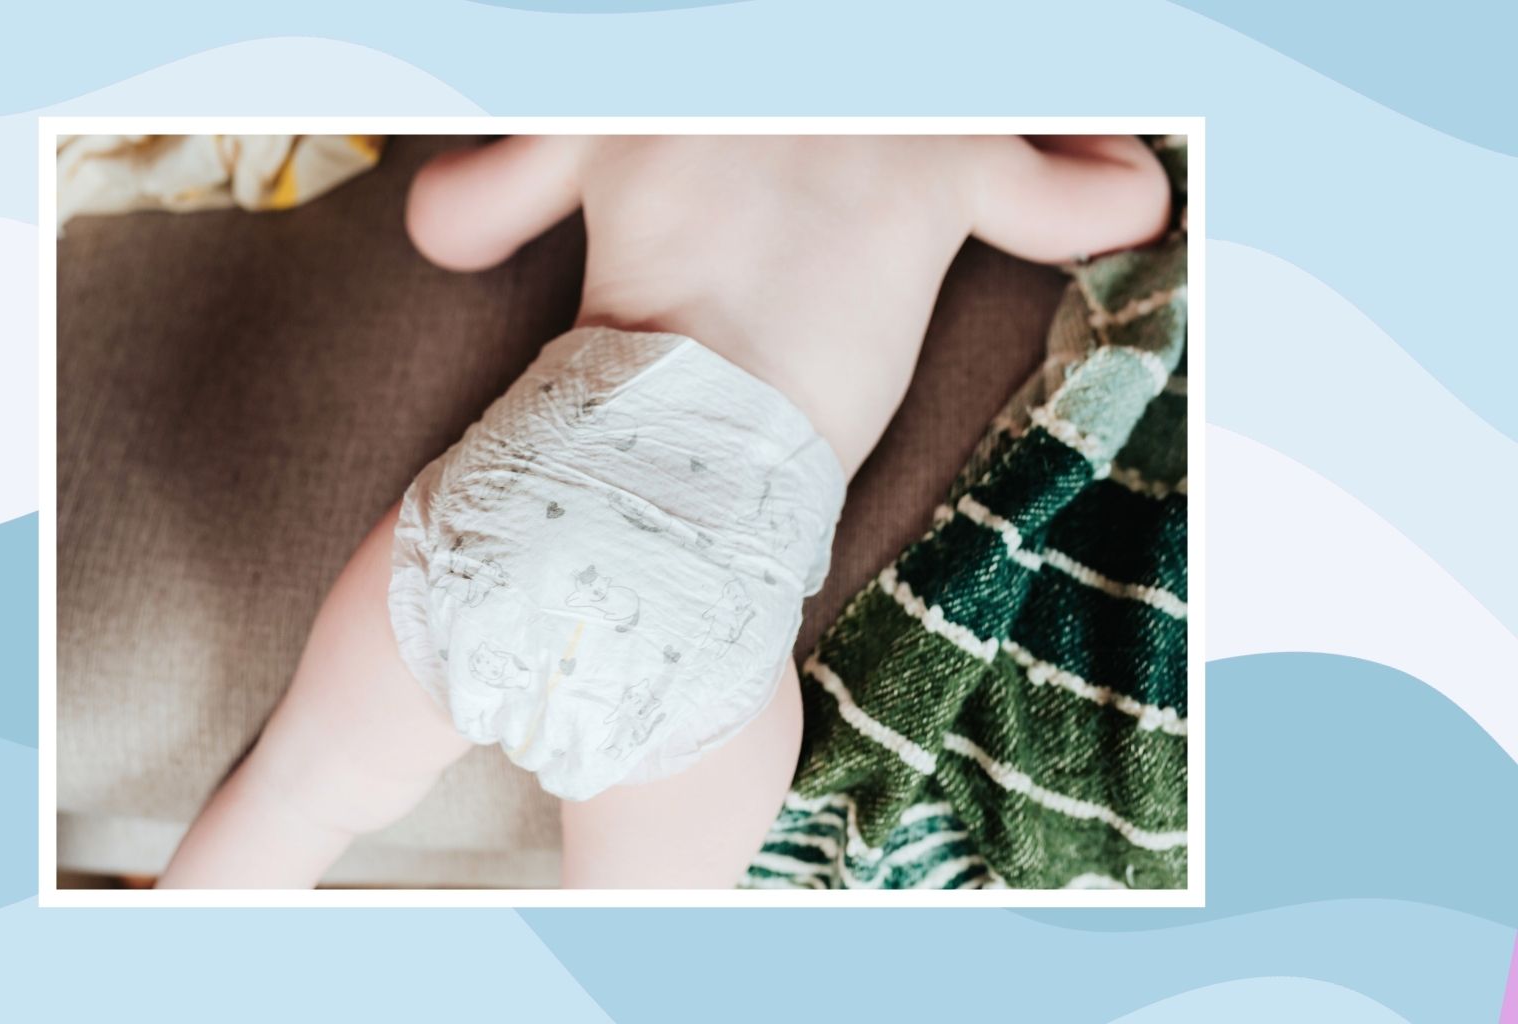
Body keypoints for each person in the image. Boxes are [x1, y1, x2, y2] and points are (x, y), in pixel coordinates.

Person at [157, 135, 1169, 889]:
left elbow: (445, 225)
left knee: (293, 795)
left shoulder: (636, 99)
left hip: (512, 512)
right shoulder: (953, 140)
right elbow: (1129, 206)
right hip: (708, 593)